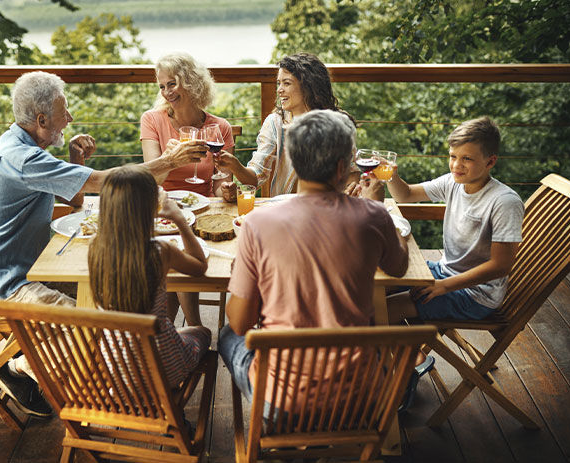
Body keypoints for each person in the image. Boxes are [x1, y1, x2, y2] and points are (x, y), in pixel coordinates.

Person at [0, 71, 206, 417]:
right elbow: (104, 183)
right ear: (42, 119)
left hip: (24, 266)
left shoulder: (24, 148)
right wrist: (169, 161)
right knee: (98, 333)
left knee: (107, 301)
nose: (70, 118)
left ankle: (70, 366)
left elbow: (76, 195)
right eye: (65, 110)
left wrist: (75, 162)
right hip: (3, 284)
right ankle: (21, 367)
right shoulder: (21, 158)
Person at [219, 109, 408, 412]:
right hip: (358, 401)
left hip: (282, 405)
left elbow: (240, 323)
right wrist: (381, 210)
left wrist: (243, 274)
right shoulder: (372, 217)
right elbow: (398, 268)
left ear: (294, 161)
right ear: (342, 168)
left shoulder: (257, 224)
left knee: (227, 336)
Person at [385, 117, 524, 410]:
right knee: (374, 286)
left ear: (491, 161)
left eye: (467, 159)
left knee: (382, 310)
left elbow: (501, 266)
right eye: (452, 157)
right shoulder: (454, 183)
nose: (456, 165)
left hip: (476, 295)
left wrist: (442, 286)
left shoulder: (503, 202)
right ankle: (401, 359)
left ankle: (403, 378)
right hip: (445, 273)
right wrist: (391, 176)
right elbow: (405, 194)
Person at [89, 165, 211, 390]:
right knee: (203, 332)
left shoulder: (96, 248)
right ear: (149, 209)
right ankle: (171, 403)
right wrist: (179, 219)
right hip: (162, 371)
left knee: (169, 325)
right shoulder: (159, 251)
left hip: (114, 373)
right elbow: (200, 266)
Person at [140, 52, 234, 327]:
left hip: (202, 210)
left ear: (192, 83)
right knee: (174, 251)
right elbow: (152, 180)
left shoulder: (220, 127)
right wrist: (170, 161)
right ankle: (194, 328)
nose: (166, 92)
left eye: (173, 84)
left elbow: (218, 187)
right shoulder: (152, 120)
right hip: (161, 208)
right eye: (162, 86)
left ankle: (175, 334)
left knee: (176, 255)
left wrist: (226, 190)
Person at [217, 52, 345, 201]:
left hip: (326, 209)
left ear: (308, 86)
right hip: (284, 212)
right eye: (279, 83)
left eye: (287, 83)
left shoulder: (336, 124)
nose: (279, 90)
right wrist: (235, 165)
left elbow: (351, 174)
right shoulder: (275, 123)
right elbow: (256, 176)